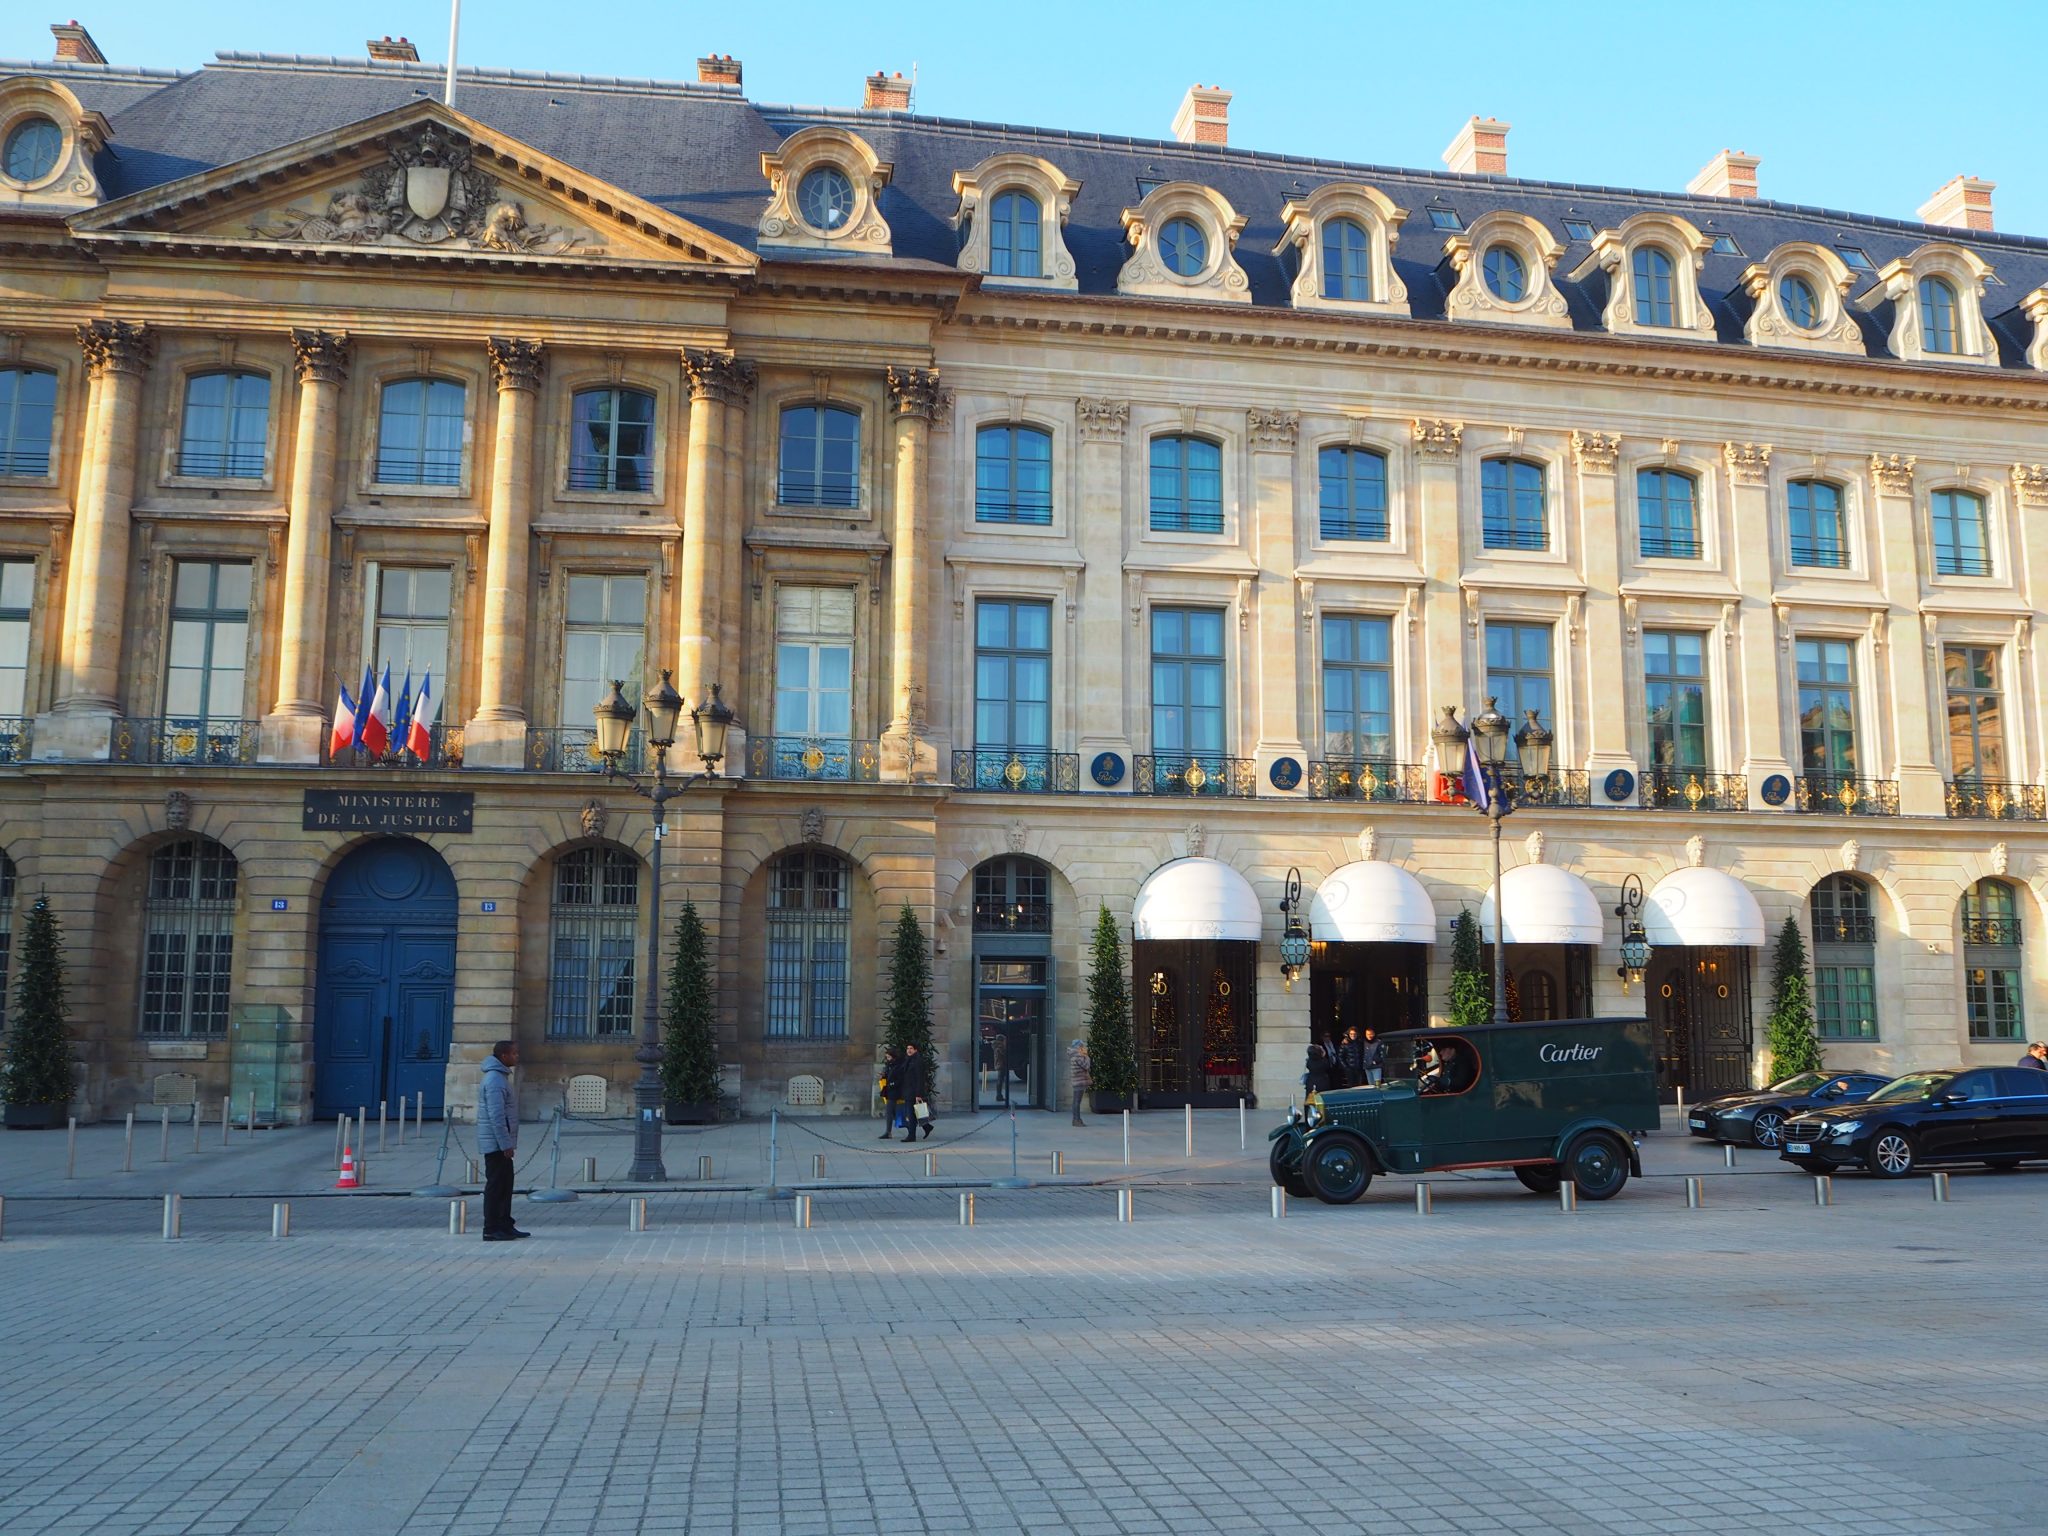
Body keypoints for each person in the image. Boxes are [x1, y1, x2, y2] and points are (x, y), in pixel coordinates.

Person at [476, 1040, 526, 1241]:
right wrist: (505, 1144)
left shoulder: (500, 1078)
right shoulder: (495, 1081)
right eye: (514, 1053)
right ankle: (491, 1228)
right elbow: (496, 1116)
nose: (516, 1056)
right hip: (496, 1143)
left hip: (501, 1142)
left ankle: (505, 1224)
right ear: (503, 1056)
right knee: (496, 1186)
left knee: (506, 1184)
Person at [898, 1041, 933, 1142]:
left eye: (911, 1048)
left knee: (910, 1114)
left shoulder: (917, 1061)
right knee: (913, 1113)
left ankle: (911, 1135)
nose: (909, 1050)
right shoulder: (907, 1060)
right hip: (907, 1090)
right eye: (908, 1048)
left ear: (915, 1050)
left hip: (913, 1091)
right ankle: (926, 1127)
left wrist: (918, 1094)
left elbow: (920, 1079)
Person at [879, 1045, 906, 1139]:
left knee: (889, 1111)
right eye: (886, 1057)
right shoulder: (889, 1065)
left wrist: (892, 1084)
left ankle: (888, 1132)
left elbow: (900, 1079)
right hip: (890, 1091)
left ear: (893, 1057)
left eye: (889, 1057)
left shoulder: (898, 1066)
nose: (887, 1059)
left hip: (894, 1091)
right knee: (892, 1112)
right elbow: (888, 1075)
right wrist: (883, 1075)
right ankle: (890, 1130)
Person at [1069, 1038, 1091, 1126]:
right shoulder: (1078, 1056)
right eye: (1082, 1046)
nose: (1083, 1047)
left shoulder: (1074, 1055)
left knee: (1076, 1101)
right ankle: (1076, 1120)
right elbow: (1086, 1066)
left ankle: (1076, 1119)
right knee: (1077, 1101)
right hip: (1079, 1081)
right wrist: (1086, 1056)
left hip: (1077, 1080)